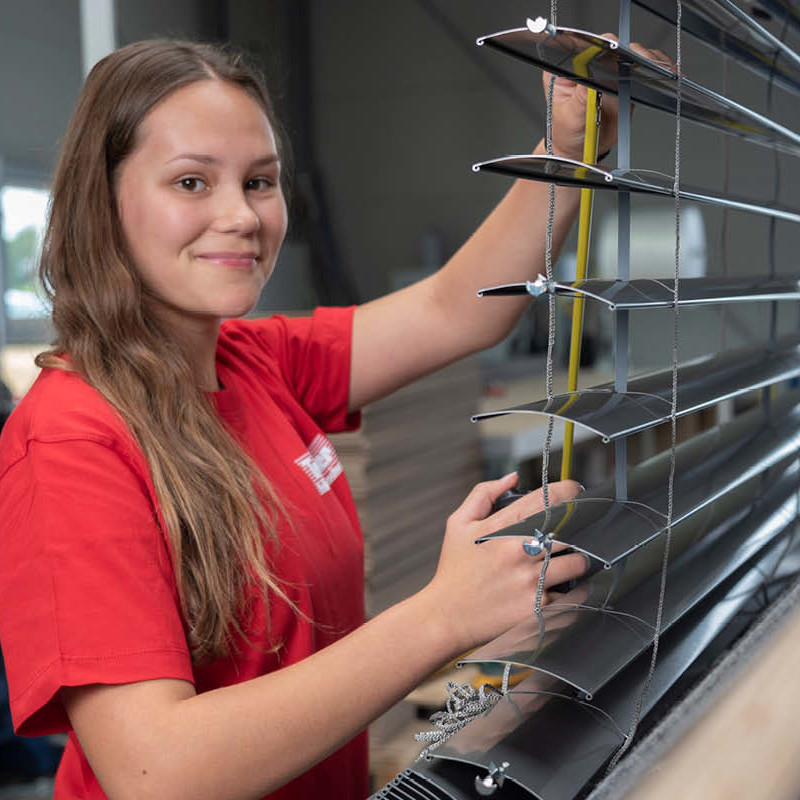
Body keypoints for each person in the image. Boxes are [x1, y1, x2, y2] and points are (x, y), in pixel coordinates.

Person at [0, 36, 654, 800]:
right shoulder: (72, 440)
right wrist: (443, 617)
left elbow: (455, 311)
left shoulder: (252, 360)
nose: (240, 215)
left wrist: (566, 153)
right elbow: (157, 772)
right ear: (102, 201)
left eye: (260, 181)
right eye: (191, 181)